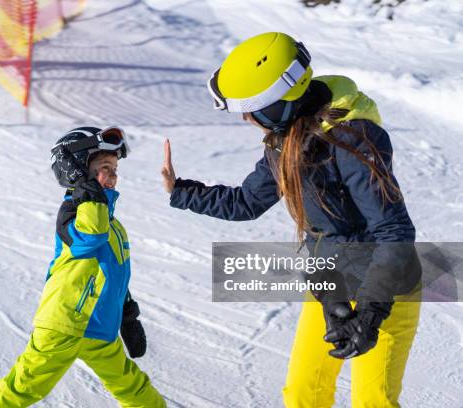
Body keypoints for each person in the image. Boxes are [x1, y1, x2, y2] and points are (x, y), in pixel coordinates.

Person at [161, 32, 421, 407]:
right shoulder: (286, 141)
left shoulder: (353, 139)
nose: (247, 118)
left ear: (279, 104)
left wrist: (370, 313)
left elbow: (394, 231)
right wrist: (181, 191)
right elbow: (247, 202)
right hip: (331, 277)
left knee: (373, 401)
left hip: (387, 286)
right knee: (303, 395)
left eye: (251, 108)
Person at [0, 126, 166, 408]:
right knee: (20, 391)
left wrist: (128, 316)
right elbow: (89, 239)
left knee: (134, 388)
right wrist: (89, 192)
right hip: (65, 324)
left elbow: (114, 271)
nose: (113, 174)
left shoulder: (111, 221)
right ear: (77, 170)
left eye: (115, 168)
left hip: (99, 327)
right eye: (104, 166)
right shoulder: (72, 212)